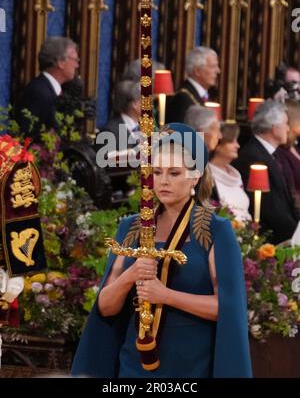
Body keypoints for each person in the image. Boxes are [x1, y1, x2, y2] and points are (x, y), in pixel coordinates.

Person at [72, 123, 252, 378]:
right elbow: (106, 307)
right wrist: (130, 276)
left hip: (191, 367)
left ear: (195, 175)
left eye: (174, 173)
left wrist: (166, 295)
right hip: (133, 366)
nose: (163, 181)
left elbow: (227, 307)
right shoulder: (130, 226)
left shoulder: (215, 229)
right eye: (157, 171)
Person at [233, 100, 299, 243]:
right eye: (286, 123)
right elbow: (270, 208)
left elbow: (288, 201)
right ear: (274, 128)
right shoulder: (253, 157)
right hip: (270, 242)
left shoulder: (275, 153)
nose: (288, 128)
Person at [16, 36, 79, 138]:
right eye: (75, 60)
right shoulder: (38, 92)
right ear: (60, 62)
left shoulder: (59, 90)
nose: (77, 65)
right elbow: (27, 137)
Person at [209, 122, 251, 222]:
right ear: (218, 144)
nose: (238, 145)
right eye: (232, 141)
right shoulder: (207, 177)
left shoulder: (236, 176)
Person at [166, 47, 220, 123]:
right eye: (213, 66)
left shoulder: (205, 96)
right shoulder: (183, 99)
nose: (218, 71)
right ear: (197, 71)